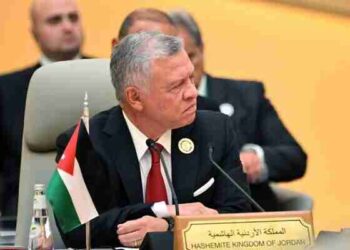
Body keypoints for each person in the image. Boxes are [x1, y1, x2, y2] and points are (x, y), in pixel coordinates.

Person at [56, 31, 251, 248]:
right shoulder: (86, 143)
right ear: (135, 97)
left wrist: (170, 226)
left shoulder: (216, 132)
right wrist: (161, 210)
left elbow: (238, 219)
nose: (192, 93)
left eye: (191, 78)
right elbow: (78, 230)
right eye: (177, 86)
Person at [169, 10, 308, 211]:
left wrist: (255, 159)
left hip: (246, 216)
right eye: (176, 62)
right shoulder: (153, 104)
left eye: (191, 56)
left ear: (202, 49)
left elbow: (294, 158)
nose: (187, 69)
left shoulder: (247, 96)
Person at [0, 0, 86, 216]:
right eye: (54, 20)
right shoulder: (5, 90)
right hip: (22, 217)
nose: (67, 27)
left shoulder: (109, 76)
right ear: (35, 32)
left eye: (73, 18)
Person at [112, 8, 220, 112]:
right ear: (116, 48)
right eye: (144, 51)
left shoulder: (204, 112)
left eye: (170, 50)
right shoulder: (97, 100)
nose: (160, 59)